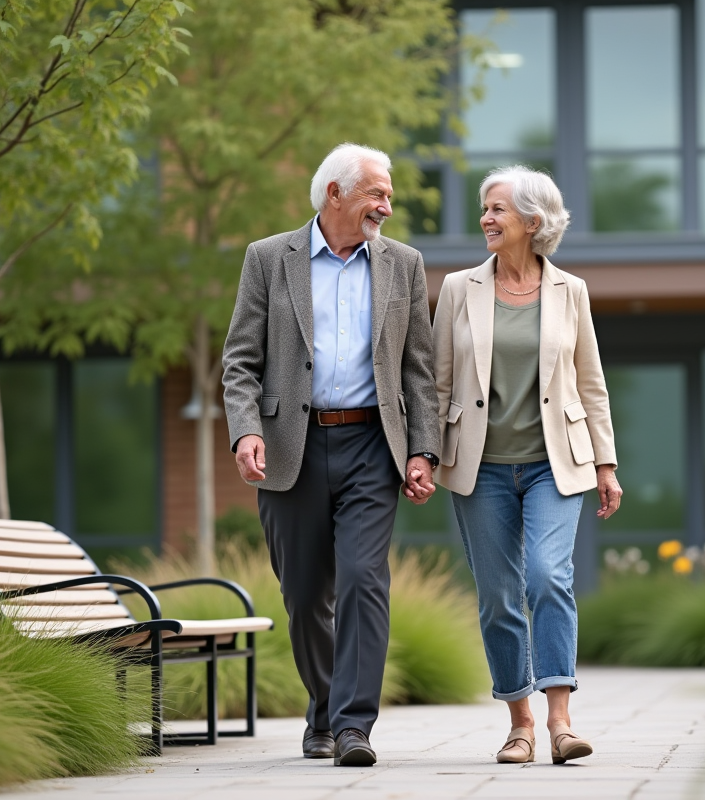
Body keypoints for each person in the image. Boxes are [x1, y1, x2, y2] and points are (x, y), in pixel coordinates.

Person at [222, 143, 440, 767]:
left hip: (374, 443)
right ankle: (323, 708)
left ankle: (352, 727)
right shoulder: (269, 258)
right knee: (305, 593)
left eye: (389, 194)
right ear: (334, 194)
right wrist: (246, 432)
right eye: (377, 193)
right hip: (292, 445)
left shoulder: (403, 264)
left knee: (365, 581)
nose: (387, 206)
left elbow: (418, 369)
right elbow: (240, 360)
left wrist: (422, 449)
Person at [432, 166, 621, 765]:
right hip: (480, 467)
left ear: (533, 222)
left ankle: (561, 720)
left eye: (496, 210)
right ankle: (520, 724)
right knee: (498, 597)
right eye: (484, 209)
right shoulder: (460, 288)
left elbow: (590, 384)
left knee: (547, 575)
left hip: (554, 464)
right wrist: (424, 453)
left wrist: (607, 464)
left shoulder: (571, 291)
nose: (485, 219)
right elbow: (438, 384)